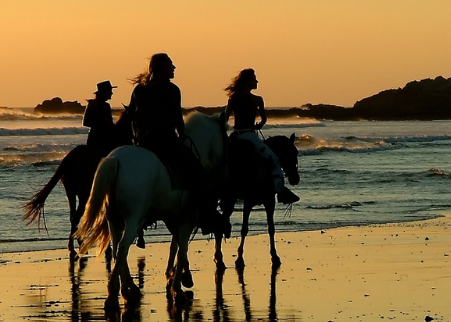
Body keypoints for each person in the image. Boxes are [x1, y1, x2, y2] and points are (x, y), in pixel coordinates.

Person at [127, 53, 225, 235]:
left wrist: (136, 139)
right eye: (170, 65)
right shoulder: (172, 89)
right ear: (162, 67)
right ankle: (206, 217)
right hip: (166, 142)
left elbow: (131, 116)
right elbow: (178, 119)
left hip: (143, 143)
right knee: (199, 174)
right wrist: (182, 135)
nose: (174, 67)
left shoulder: (139, 89)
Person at [222, 68, 299, 205]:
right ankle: (280, 192)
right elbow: (263, 120)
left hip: (236, 135)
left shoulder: (233, 98)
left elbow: (225, 118)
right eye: (254, 79)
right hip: (249, 135)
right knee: (274, 160)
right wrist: (258, 126)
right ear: (248, 81)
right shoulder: (257, 100)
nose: (257, 81)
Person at [82, 80, 117, 157]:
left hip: (92, 137)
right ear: (105, 92)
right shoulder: (106, 106)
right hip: (104, 139)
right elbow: (109, 125)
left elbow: (85, 123)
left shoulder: (91, 104)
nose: (111, 93)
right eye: (110, 91)